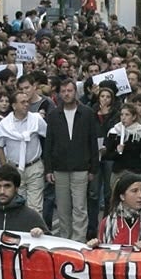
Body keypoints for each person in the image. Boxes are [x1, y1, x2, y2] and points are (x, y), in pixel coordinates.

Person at [43, 78, 99, 241]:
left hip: (81, 167)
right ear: (59, 94)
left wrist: (93, 168)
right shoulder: (53, 114)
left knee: (80, 207)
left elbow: (92, 142)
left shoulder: (87, 113)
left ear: (76, 92)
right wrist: (48, 169)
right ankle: (66, 240)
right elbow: (49, 143)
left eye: (70, 90)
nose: (67, 94)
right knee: (63, 209)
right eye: (63, 91)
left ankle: (79, 241)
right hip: (59, 168)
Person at [0, 91, 48, 215]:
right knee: (16, 206)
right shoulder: (4, 125)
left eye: (27, 101)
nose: (26, 105)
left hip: (34, 167)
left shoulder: (36, 119)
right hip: (14, 169)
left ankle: (35, 231)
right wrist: (5, 167)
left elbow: (49, 137)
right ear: (14, 106)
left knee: (35, 208)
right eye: (22, 102)